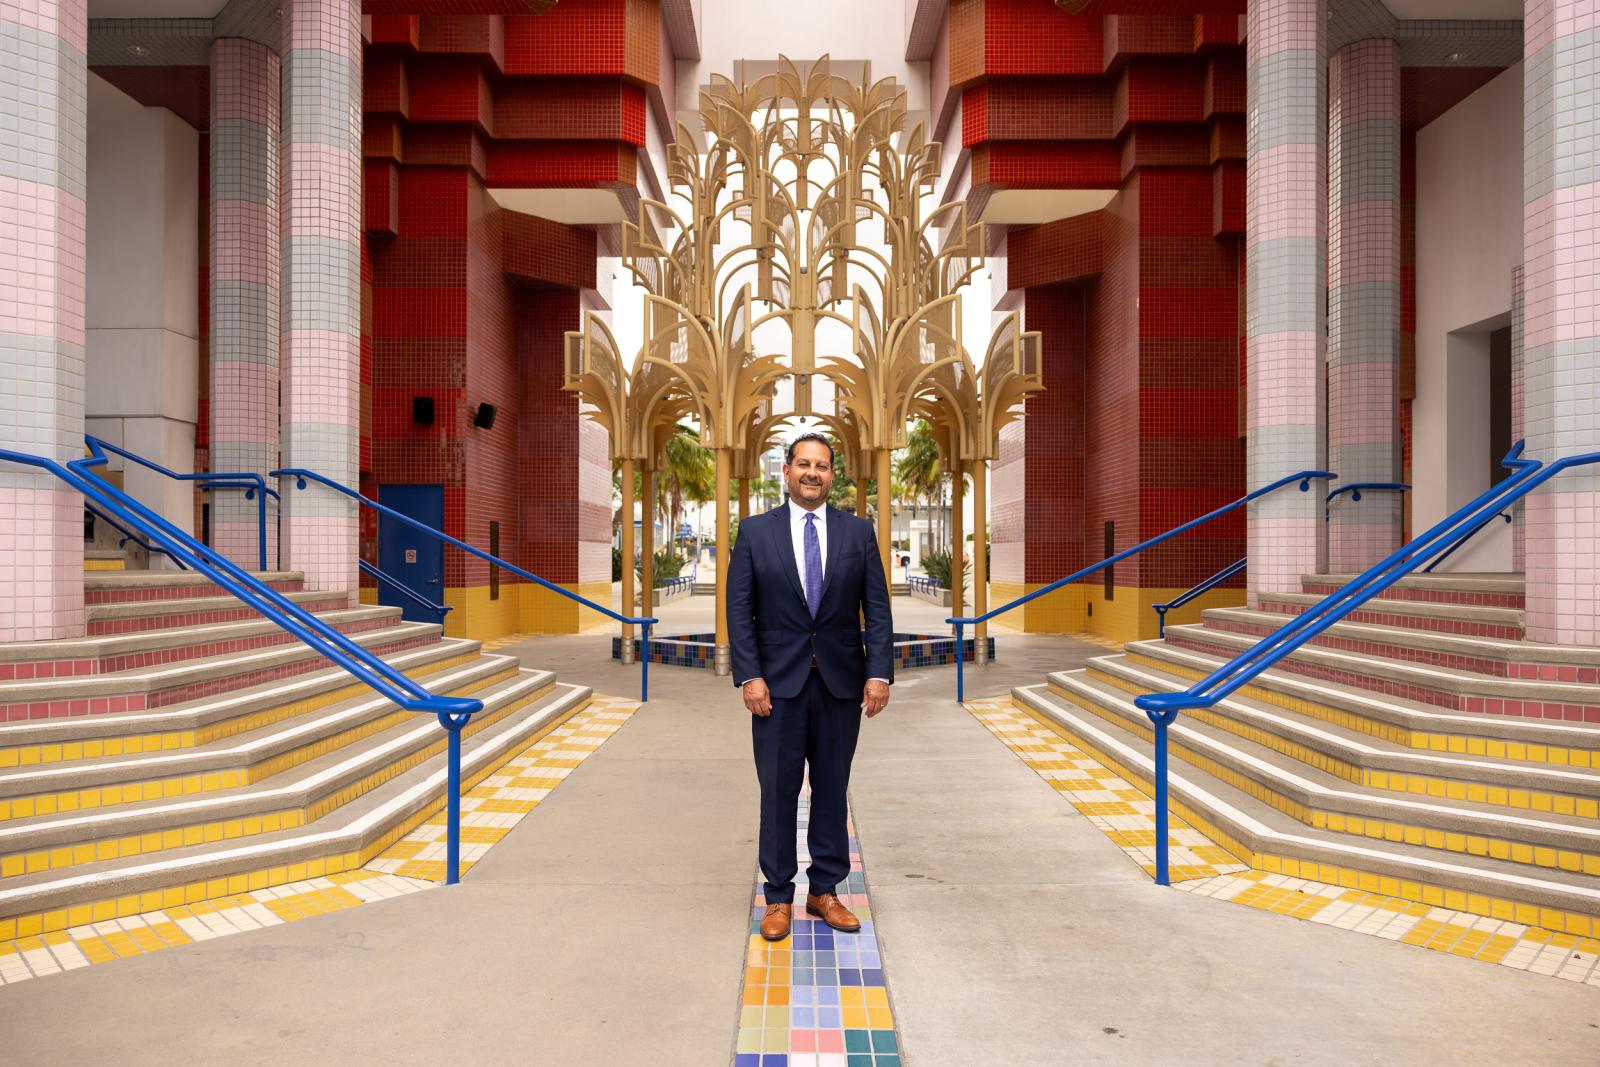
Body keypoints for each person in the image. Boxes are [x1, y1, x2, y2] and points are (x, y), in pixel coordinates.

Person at [726, 432, 894, 942]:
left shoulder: (857, 532)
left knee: (831, 790)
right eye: (803, 464)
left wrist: (879, 672)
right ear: (786, 471)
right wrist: (749, 675)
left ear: (831, 474)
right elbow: (740, 611)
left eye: (821, 465)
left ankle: (824, 891)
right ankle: (777, 896)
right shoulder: (755, 532)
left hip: (841, 685)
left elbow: (878, 609)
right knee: (777, 791)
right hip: (776, 687)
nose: (812, 473)